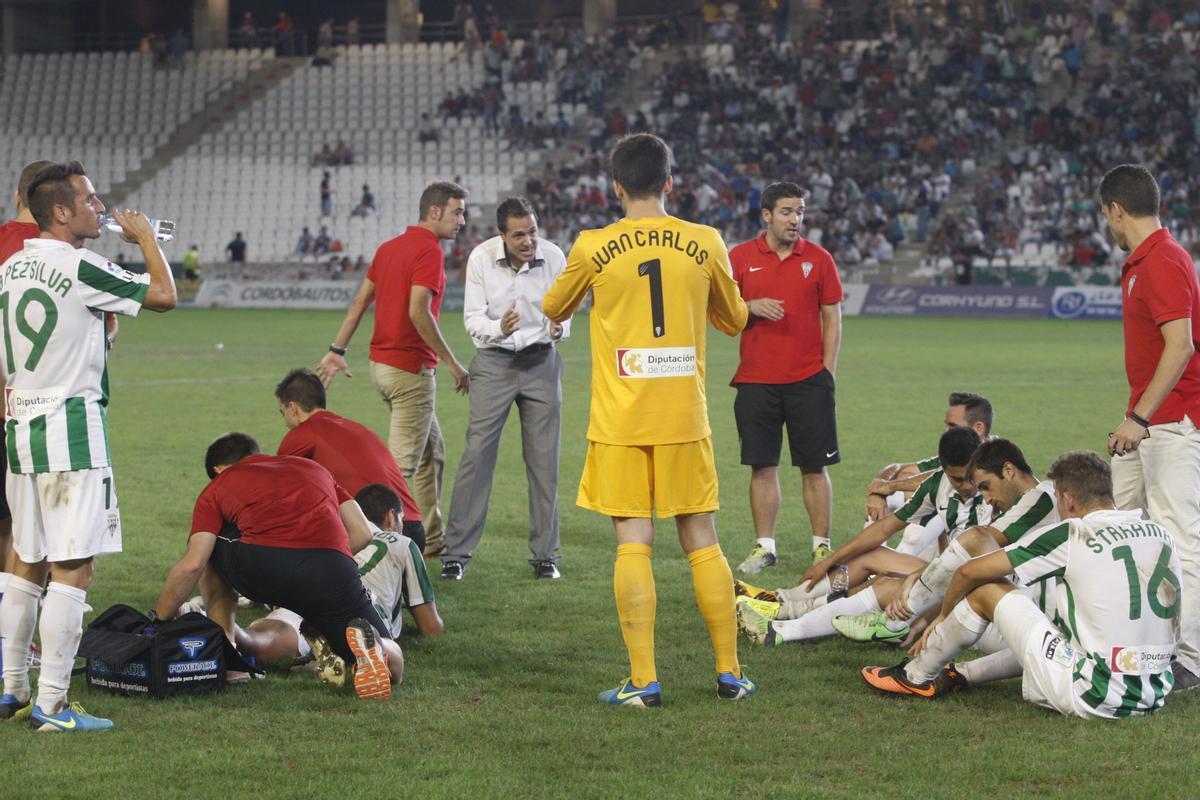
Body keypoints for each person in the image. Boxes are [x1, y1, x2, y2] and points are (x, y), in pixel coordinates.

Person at [543, 133, 754, 706]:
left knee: (633, 542)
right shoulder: (706, 240)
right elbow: (735, 319)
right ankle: (730, 675)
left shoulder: (592, 245)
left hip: (621, 421)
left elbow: (553, 307)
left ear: (615, 186)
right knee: (702, 541)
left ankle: (643, 682)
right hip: (684, 415)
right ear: (669, 182)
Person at [0, 161, 177, 731]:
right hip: (72, 432)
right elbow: (164, 295)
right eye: (91, 199)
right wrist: (146, 239)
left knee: (24, 563)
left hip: (20, 431)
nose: (101, 208)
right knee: (73, 569)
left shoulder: (10, 268)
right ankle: (52, 706)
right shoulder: (80, 265)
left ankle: (11, 688)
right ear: (61, 211)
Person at [863, 451, 1181, 718]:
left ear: (1068, 499)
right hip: (1153, 692)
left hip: (1095, 695)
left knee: (988, 590)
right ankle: (961, 674)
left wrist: (942, 617)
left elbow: (969, 572)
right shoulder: (1160, 535)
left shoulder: (1073, 534)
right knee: (1054, 624)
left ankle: (915, 676)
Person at [152, 433, 402, 701]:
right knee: (391, 659)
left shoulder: (219, 485)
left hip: (266, 567)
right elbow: (363, 533)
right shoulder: (313, 468)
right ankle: (377, 648)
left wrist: (158, 620)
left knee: (209, 543)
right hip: (333, 570)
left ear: (219, 469)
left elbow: (193, 564)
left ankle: (229, 654)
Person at [317, 182, 470, 557]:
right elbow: (419, 311)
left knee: (433, 453)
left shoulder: (388, 248)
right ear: (434, 211)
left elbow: (360, 301)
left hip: (381, 368)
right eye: (457, 212)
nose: (462, 220)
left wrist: (337, 349)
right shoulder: (429, 251)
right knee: (398, 472)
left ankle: (432, 538)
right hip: (409, 372)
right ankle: (365, 547)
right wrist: (452, 363)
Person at [734, 427, 988, 646]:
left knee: (884, 586)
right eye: (957, 479)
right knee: (871, 554)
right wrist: (829, 560)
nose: (968, 486)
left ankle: (782, 626)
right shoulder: (939, 484)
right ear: (943, 469)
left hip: (980, 588)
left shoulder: (995, 493)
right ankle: (782, 601)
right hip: (948, 572)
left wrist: (923, 618)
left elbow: (978, 570)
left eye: (970, 477)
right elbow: (883, 529)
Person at [1100, 164, 1200, 691]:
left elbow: (1181, 346)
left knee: (1178, 538)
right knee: (1127, 528)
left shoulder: (1161, 259)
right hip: (1148, 421)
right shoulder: (1145, 260)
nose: (1108, 226)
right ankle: (1141, 636)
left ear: (1117, 209)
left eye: (1106, 216)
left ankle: (1191, 658)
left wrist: (1139, 418)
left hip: (1172, 422)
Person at [440, 198, 570, 581]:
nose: (529, 241)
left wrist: (560, 327)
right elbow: (472, 318)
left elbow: (566, 311)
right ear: (502, 235)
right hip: (494, 362)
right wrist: (500, 328)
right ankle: (456, 554)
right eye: (519, 235)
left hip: (542, 363)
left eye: (532, 231)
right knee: (477, 456)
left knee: (544, 461)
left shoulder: (554, 256)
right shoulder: (481, 259)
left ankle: (546, 556)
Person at [832, 436, 1059, 644]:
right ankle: (830, 601)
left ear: (1008, 470)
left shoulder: (1039, 500)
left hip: (1026, 623)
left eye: (986, 487)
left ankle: (891, 624)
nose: (987, 498)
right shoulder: (1030, 500)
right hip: (1017, 616)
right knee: (889, 575)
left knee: (893, 582)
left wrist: (928, 600)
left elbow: (970, 555)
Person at [730, 182, 843, 576]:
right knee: (762, 466)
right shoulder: (740, 258)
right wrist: (750, 306)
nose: (795, 219)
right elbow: (722, 314)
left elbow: (832, 317)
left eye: (800, 212)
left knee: (815, 466)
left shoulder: (819, 258)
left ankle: (821, 547)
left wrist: (827, 372)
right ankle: (765, 547)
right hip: (756, 380)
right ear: (766, 215)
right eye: (786, 211)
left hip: (808, 380)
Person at [220, 483, 441, 681]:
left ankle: (228, 634)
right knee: (386, 653)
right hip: (362, 604)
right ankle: (369, 646)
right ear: (391, 517)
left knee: (270, 633)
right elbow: (430, 626)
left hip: (310, 590)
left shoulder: (327, 533)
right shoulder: (402, 542)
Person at [275, 368, 424, 550]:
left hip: (383, 535)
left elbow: (276, 491)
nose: (285, 422)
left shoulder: (304, 433)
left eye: (282, 413)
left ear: (292, 408)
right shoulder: (354, 427)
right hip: (413, 529)